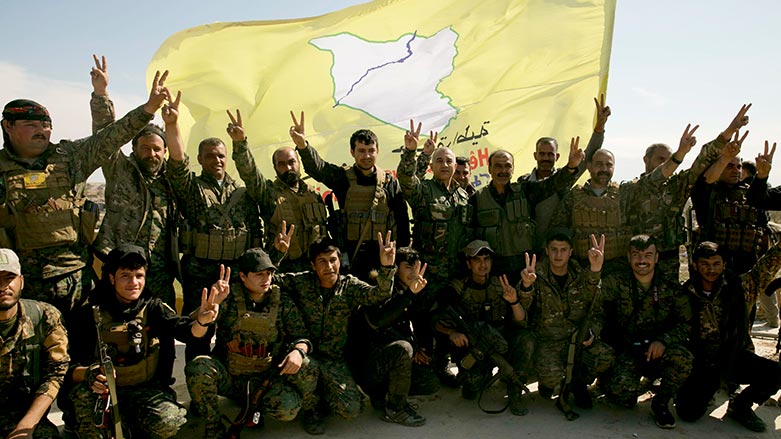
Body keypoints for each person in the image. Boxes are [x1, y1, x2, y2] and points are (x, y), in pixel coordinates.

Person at [0, 60, 168, 320]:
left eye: (46, 125)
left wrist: (147, 110)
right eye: (31, 125)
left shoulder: (71, 157)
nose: (42, 130)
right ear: (8, 127)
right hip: (25, 285)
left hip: (76, 280)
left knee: (84, 352)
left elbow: (112, 135)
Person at [64, 244, 220, 439]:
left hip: (145, 391)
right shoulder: (89, 314)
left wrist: (203, 321)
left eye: (139, 276)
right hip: (102, 395)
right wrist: (89, 373)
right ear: (112, 278)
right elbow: (67, 368)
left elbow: (185, 331)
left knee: (169, 421)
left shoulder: (153, 307)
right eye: (125, 276)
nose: (134, 283)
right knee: (87, 416)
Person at [164, 101, 263, 360]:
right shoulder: (192, 189)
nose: (217, 160)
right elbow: (176, 164)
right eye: (210, 155)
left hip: (233, 273)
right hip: (199, 272)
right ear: (199, 159)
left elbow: (254, 231)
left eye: (221, 155)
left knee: (232, 330)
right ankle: (198, 381)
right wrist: (172, 125)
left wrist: (240, 143)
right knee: (199, 331)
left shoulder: (242, 194)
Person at [185, 247, 318, 438]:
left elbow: (302, 336)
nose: (266, 279)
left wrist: (298, 350)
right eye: (258, 274)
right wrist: (211, 307)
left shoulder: (282, 301)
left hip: (266, 380)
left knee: (291, 400)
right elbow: (193, 327)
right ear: (243, 276)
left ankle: (302, 409)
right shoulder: (228, 298)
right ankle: (214, 426)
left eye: (269, 273)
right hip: (230, 377)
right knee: (198, 367)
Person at [274, 233, 397, 434]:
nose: (329, 267)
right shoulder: (302, 282)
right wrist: (277, 254)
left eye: (333, 260)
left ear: (340, 261)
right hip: (306, 355)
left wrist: (387, 267)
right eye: (322, 262)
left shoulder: (349, 286)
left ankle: (322, 395)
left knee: (351, 409)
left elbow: (379, 295)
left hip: (333, 359)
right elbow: (269, 279)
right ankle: (310, 409)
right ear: (313, 265)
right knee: (304, 368)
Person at [89, 59, 180, 307]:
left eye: (157, 149)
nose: (151, 154)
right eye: (145, 148)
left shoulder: (171, 180)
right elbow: (106, 135)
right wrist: (101, 94)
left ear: (164, 152)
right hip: (120, 269)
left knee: (162, 332)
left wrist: (172, 124)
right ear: (134, 149)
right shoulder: (120, 169)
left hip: (158, 270)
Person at [626, 105, 751, 281]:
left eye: (670, 159)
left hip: (669, 259)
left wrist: (729, 132)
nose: (667, 163)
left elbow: (703, 161)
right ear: (646, 160)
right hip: (638, 262)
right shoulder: (631, 189)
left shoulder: (677, 185)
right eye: (661, 159)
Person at [290, 111, 410, 281]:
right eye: (361, 151)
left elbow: (402, 221)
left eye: (371, 150)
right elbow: (318, 168)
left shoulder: (390, 183)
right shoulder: (343, 178)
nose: (366, 156)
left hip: (382, 256)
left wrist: (401, 258)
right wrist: (303, 146)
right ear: (352, 152)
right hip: (350, 257)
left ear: (378, 151)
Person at [675, 241, 781, 432]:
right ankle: (708, 389)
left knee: (776, 373)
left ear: (724, 264)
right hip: (703, 363)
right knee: (687, 413)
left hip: (735, 357)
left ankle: (740, 406)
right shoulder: (684, 294)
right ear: (695, 265)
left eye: (716, 263)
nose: (711, 270)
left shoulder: (741, 287)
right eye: (705, 264)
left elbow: (768, 265)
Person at [601, 235, 693, 429]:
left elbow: (687, 324)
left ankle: (661, 401)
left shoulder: (670, 287)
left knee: (684, 358)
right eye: (636, 255)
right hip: (629, 350)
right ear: (628, 257)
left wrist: (664, 340)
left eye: (648, 255)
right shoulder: (616, 282)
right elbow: (593, 299)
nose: (642, 260)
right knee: (621, 396)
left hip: (659, 350)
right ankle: (623, 382)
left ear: (656, 258)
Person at [434, 240, 535, 416]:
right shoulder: (457, 289)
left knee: (526, 338)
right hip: (474, 349)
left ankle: (514, 390)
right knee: (472, 387)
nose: (483, 264)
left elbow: (521, 321)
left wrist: (514, 302)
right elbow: (435, 321)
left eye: (486, 259)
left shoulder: (501, 283)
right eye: (477, 260)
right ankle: (483, 375)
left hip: (500, 341)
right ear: (468, 263)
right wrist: (452, 333)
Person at [472, 138, 584, 282]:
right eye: (498, 166)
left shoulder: (526, 190)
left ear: (513, 169)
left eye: (507, 166)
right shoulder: (478, 199)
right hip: (494, 271)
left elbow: (552, 184)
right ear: (489, 169)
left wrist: (570, 167)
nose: (503, 171)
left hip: (525, 269)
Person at [525, 231, 613, 413]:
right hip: (549, 341)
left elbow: (597, 310)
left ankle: (576, 383)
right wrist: (526, 286)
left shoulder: (581, 275)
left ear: (571, 251)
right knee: (551, 377)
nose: (558, 255)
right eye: (554, 250)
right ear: (547, 251)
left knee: (605, 356)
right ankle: (552, 383)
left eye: (563, 250)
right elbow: (522, 307)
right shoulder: (536, 274)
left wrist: (592, 333)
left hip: (577, 340)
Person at [234, 110, 328, 273]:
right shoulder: (268, 193)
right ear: (275, 168)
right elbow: (249, 173)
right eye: (282, 164)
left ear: (299, 163)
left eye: (292, 162)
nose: (288, 168)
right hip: (284, 270)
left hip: (315, 271)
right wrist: (240, 143)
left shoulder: (314, 194)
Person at [345, 246, 430, 426]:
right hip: (366, 364)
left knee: (430, 381)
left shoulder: (413, 289)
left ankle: (383, 396)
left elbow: (421, 320)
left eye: (416, 267)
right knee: (403, 349)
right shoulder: (380, 289)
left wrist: (422, 349)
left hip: (386, 358)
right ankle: (395, 408)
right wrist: (409, 295)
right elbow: (380, 320)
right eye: (408, 267)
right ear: (396, 268)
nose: (413, 272)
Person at [518, 95, 611, 255]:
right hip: (530, 251)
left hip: (560, 253)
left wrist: (599, 128)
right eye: (542, 154)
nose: (546, 158)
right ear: (535, 155)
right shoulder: (524, 182)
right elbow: (548, 185)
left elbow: (588, 154)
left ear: (557, 157)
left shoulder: (568, 176)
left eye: (550, 154)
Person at [0, 248, 69, 438]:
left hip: (27, 417)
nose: (2, 286)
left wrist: (26, 427)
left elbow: (56, 372)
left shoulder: (45, 316)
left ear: (21, 281)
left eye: (9, 277)